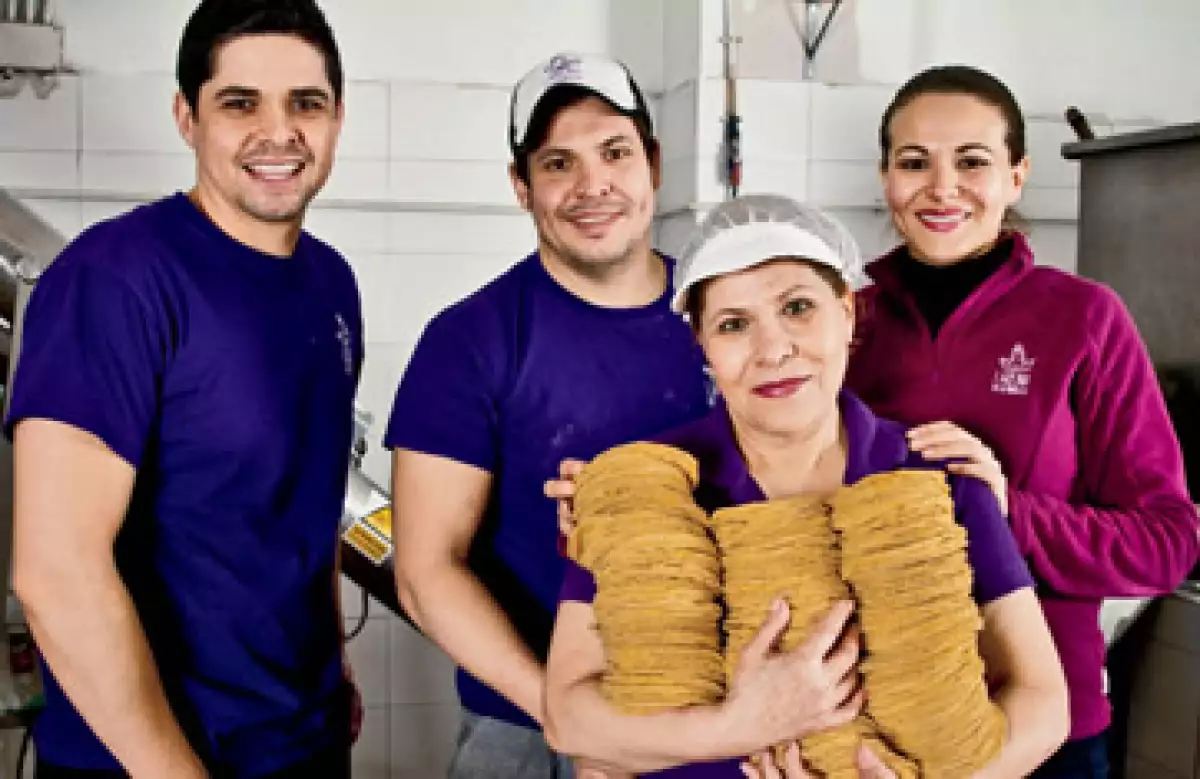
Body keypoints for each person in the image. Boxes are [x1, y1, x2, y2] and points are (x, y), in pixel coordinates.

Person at [543, 195, 1069, 778]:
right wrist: (737, 728)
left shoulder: (935, 482)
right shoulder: (645, 489)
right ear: (703, 346)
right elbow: (568, 716)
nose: (773, 350)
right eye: (734, 325)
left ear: (847, 313)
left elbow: (1044, 703)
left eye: (798, 308)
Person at [6, 1, 362, 776]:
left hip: (302, 741)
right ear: (186, 116)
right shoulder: (115, 280)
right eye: (240, 103)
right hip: (147, 759)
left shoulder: (332, 284)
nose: (280, 132)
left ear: (338, 117)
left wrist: (332, 670)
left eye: (306, 102)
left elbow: (308, 504)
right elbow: (56, 571)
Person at [845, 65, 1200, 779]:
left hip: (1046, 735)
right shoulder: (845, 321)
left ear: (1016, 175)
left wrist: (1010, 511)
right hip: (873, 726)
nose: (942, 188)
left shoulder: (1083, 319)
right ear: (886, 176)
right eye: (915, 162)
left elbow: (1169, 542)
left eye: (972, 161)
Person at [384, 52, 710, 778]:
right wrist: (568, 717)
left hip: (708, 716)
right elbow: (426, 570)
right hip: (525, 733)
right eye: (558, 162)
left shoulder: (724, 317)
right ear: (521, 186)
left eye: (615, 152)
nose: (591, 184)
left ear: (653, 163)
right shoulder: (470, 341)